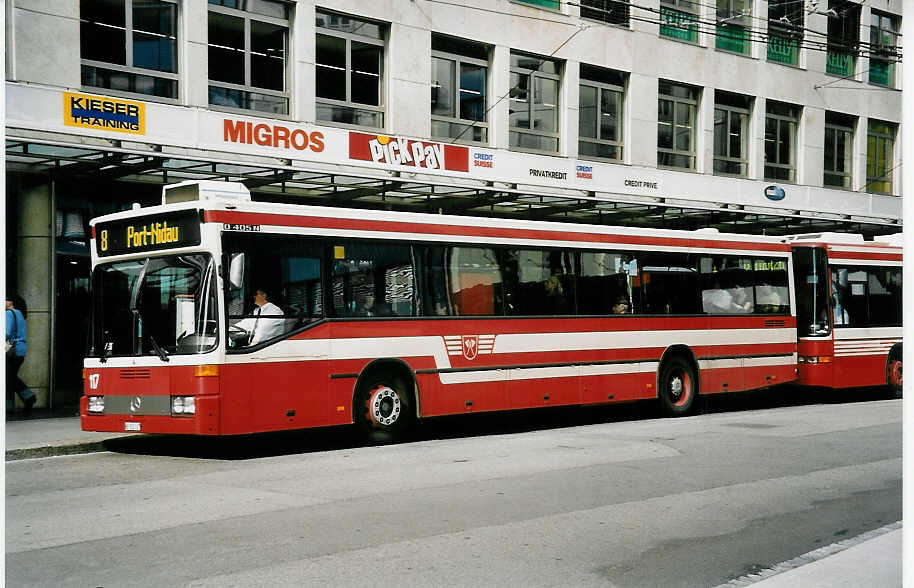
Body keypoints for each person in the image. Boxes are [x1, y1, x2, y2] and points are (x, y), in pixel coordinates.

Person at [6, 296, 36, 413]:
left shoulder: (8, 313)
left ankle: (8, 406)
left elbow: (6, 332)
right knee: (10, 377)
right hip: (20, 351)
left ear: (10, 302)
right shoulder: (20, 314)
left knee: (7, 379)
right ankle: (29, 397)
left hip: (11, 351)